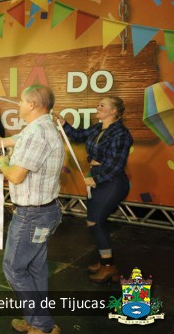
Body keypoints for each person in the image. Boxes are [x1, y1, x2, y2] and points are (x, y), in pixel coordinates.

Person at [0, 85, 64, 334]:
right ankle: (37, 320)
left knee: (14, 268)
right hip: (41, 213)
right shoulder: (38, 128)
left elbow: (16, 175)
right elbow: (12, 140)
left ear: (32, 104)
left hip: (33, 215)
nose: (18, 104)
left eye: (21, 101)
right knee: (35, 268)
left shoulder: (38, 133)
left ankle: (41, 324)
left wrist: (2, 163)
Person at [56, 96, 132, 283]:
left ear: (113, 111)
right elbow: (78, 136)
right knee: (93, 221)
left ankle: (109, 267)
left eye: (102, 105)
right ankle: (105, 260)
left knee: (96, 222)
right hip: (97, 179)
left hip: (111, 182)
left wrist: (97, 179)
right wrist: (64, 124)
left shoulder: (121, 133)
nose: (98, 107)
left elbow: (117, 165)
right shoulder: (98, 128)